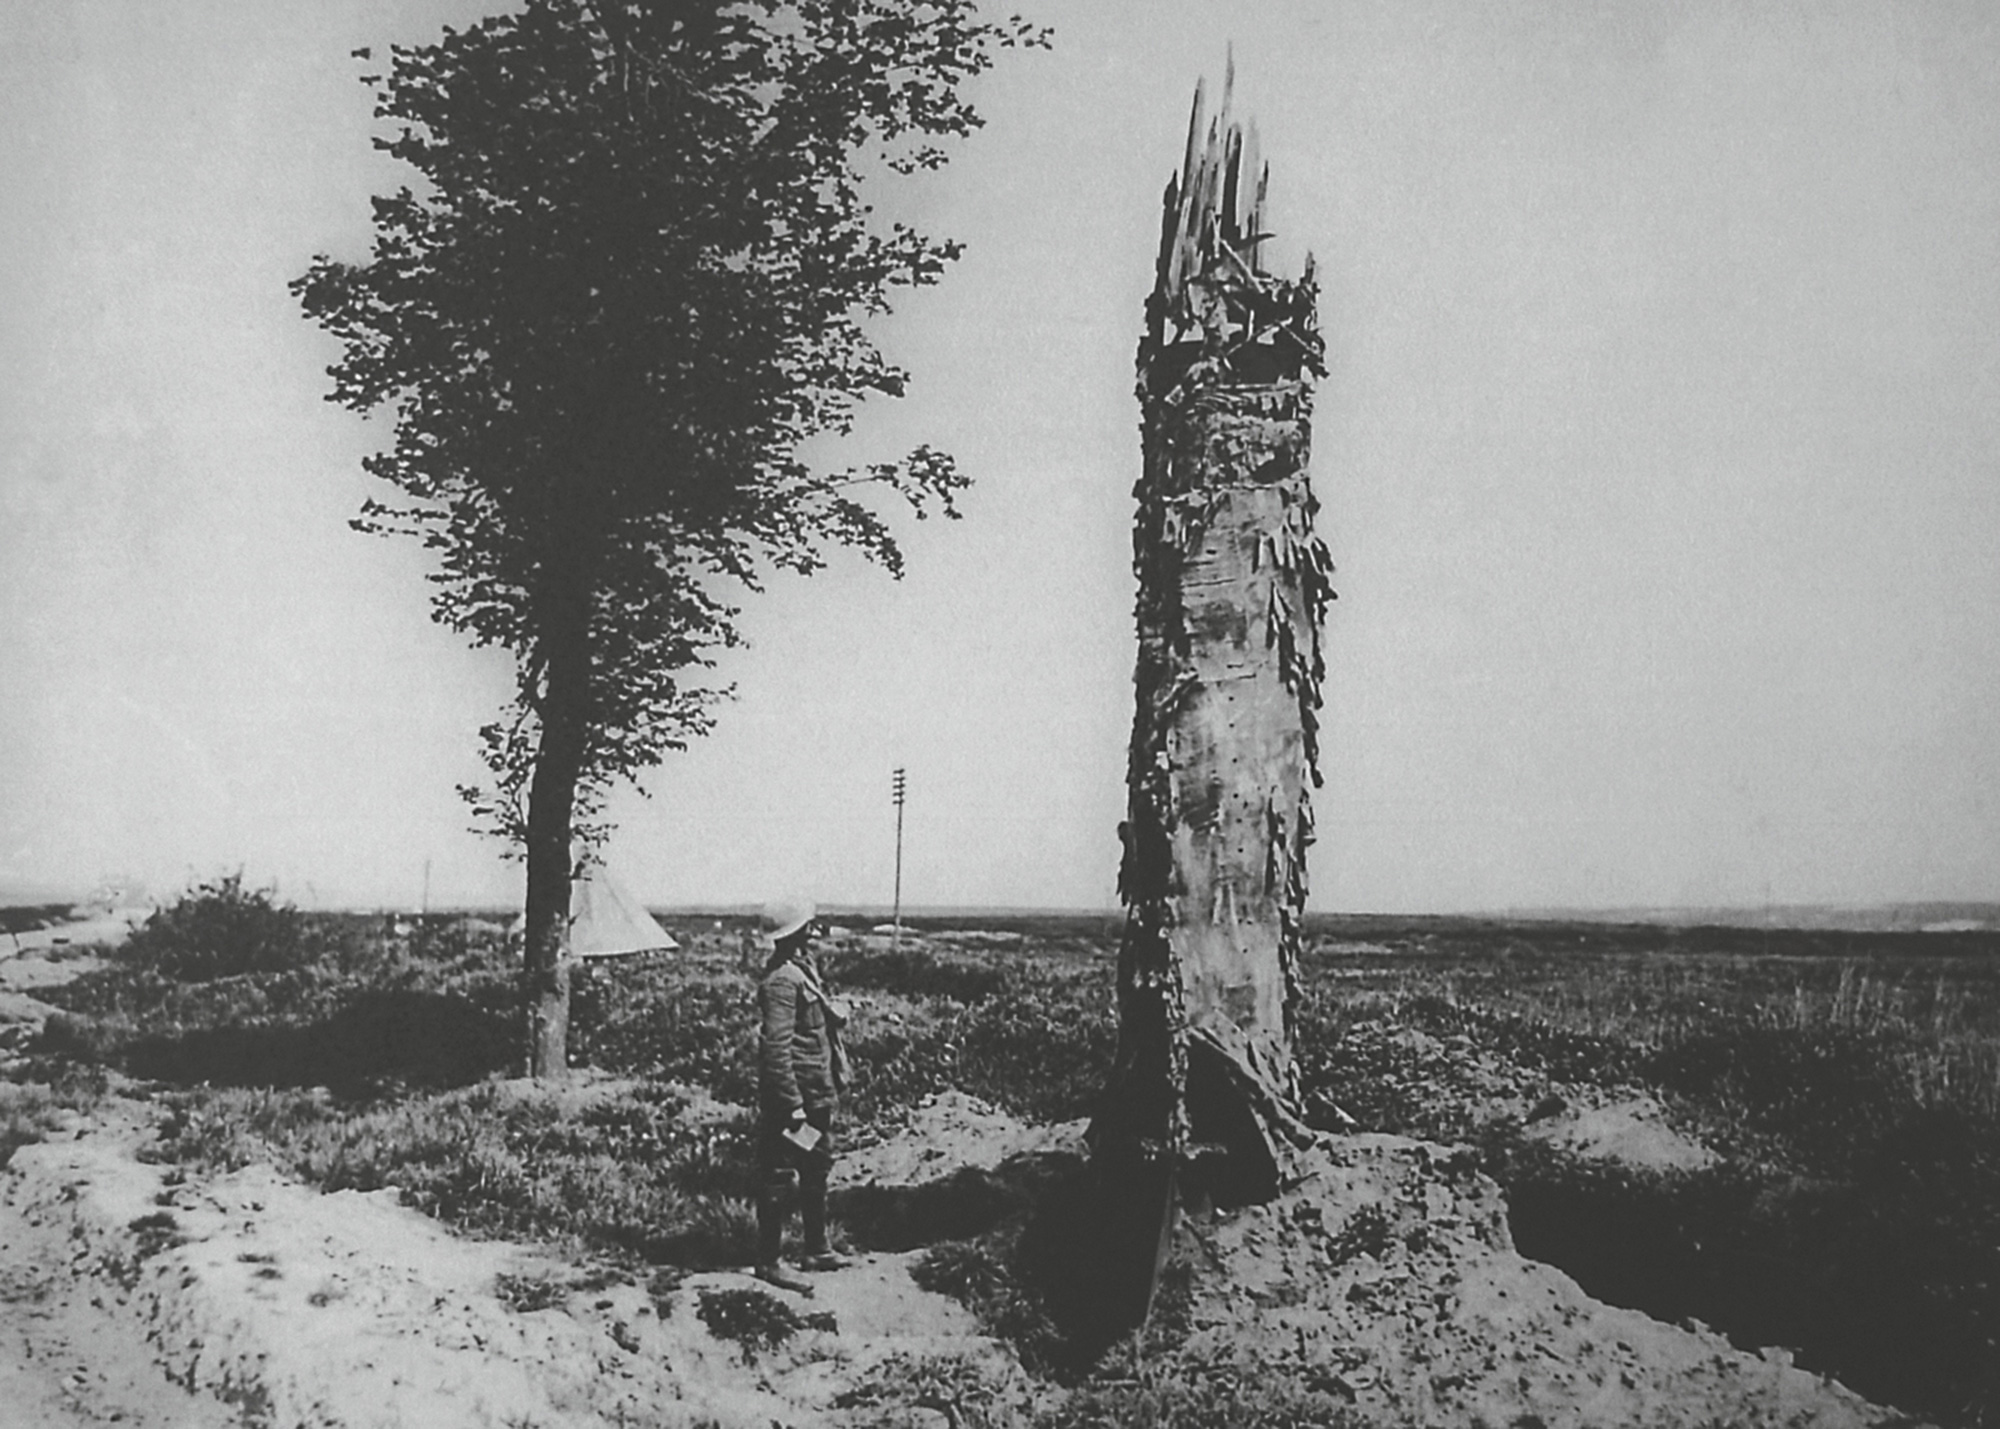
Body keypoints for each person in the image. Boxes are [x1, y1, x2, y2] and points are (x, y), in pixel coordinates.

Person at [753, 899, 849, 1292]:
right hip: (796, 1098)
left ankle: (816, 1248)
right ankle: (768, 1262)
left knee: (817, 1165)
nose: (814, 931)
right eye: (807, 926)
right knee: (778, 1175)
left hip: (818, 1092)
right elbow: (775, 1048)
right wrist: (791, 1105)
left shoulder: (802, 970)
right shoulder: (781, 981)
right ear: (793, 933)